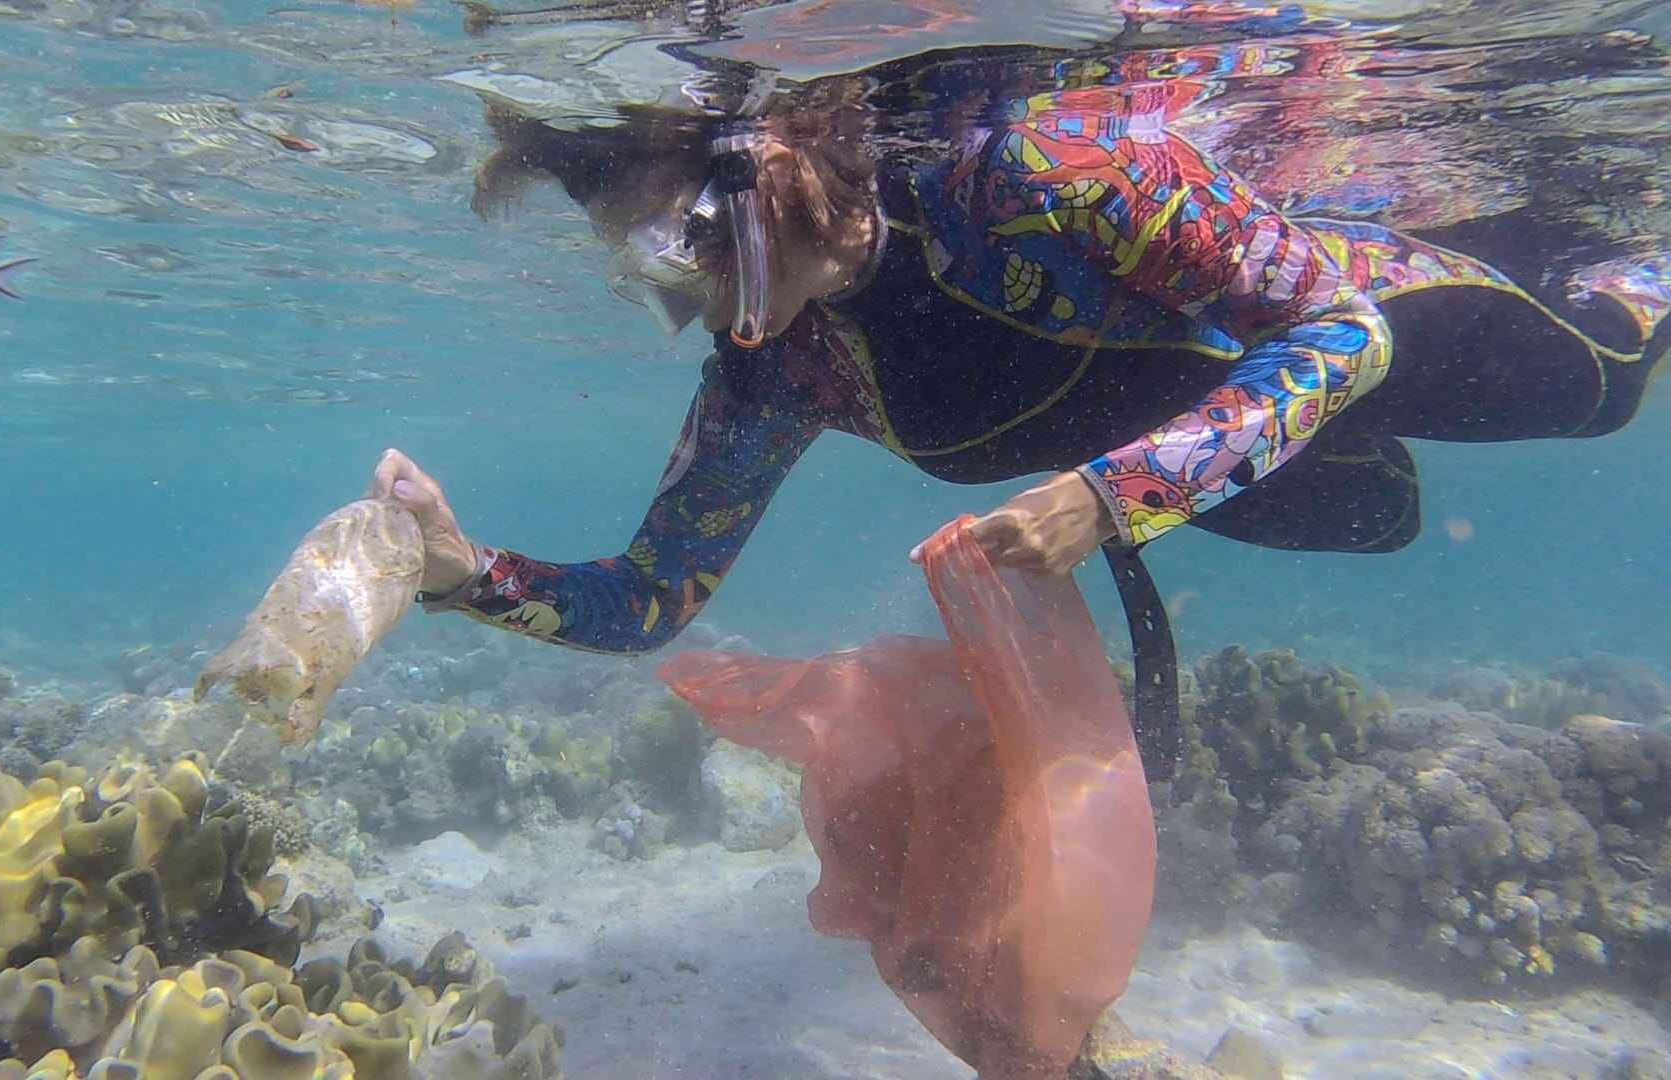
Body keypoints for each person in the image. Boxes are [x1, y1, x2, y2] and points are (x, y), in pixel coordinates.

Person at [367, 50, 1669, 775]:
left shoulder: (1034, 167)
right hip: (1210, 429)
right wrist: (463, 573)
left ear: (770, 175)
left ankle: (1626, 255)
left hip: (1346, 310)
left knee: (1600, 389)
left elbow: (1344, 332)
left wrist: (1118, 498)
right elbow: (652, 598)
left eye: (694, 260)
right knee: (1372, 518)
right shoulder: (780, 371)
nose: (701, 313)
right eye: (654, 283)